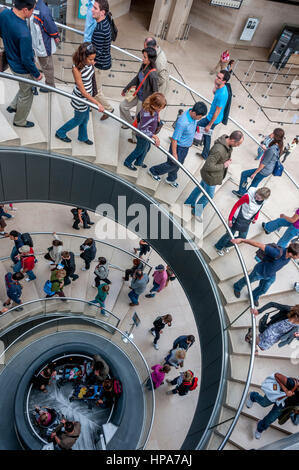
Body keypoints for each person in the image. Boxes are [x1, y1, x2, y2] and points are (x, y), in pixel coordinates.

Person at [0, 0, 43, 128]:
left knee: (24, 87)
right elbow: (26, 60)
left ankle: (13, 106)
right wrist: (36, 74)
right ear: (25, 10)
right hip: (22, 68)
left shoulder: (5, 14)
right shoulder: (24, 33)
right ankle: (20, 121)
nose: (33, 12)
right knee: (28, 93)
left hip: (11, 60)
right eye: (32, 10)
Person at [185, 131, 244, 220]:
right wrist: (224, 165)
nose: (238, 146)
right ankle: (196, 211)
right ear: (232, 140)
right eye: (238, 144)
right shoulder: (219, 150)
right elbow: (209, 166)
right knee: (209, 196)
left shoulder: (227, 145)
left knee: (200, 188)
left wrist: (225, 160)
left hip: (209, 175)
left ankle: (189, 202)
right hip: (210, 177)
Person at [148, 102, 208, 189]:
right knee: (172, 164)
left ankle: (171, 178)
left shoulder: (191, 114)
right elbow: (174, 139)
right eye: (200, 116)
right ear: (194, 113)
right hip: (179, 148)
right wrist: (175, 154)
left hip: (185, 147)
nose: (201, 118)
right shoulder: (183, 122)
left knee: (178, 164)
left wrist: (190, 140)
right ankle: (153, 171)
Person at [56, 42, 104, 144]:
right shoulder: (76, 69)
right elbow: (82, 91)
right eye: (90, 59)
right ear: (83, 57)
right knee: (78, 119)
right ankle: (60, 132)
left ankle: (82, 137)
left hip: (88, 98)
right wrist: (97, 103)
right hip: (81, 99)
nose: (93, 61)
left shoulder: (88, 64)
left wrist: (91, 64)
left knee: (85, 119)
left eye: (93, 59)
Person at [232, 240, 299, 307]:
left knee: (263, 289)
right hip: (260, 272)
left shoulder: (289, 256)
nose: (298, 258)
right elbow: (259, 244)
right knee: (247, 280)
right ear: (291, 254)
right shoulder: (276, 253)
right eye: (298, 256)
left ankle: (253, 296)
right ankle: (237, 287)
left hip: (271, 275)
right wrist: (242, 240)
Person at [214, 187, 271, 256]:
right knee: (229, 235)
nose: (256, 198)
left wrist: (255, 217)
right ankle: (218, 246)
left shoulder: (262, 202)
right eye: (256, 196)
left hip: (246, 221)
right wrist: (230, 219)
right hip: (237, 218)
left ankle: (226, 245)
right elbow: (236, 205)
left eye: (258, 198)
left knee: (242, 238)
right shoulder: (247, 197)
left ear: (263, 199)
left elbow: (258, 209)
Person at [120, 47, 159, 143]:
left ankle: (134, 138)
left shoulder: (153, 75)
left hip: (144, 101)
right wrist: (126, 88)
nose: (143, 59)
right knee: (122, 106)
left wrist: (156, 111)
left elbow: (156, 93)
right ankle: (130, 124)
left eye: (145, 57)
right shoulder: (143, 66)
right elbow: (137, 78)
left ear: (150, 59)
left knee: (138, 120)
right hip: (137, 94)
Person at [232, 128, 285, 198]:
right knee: (254, 183)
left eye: (273, 133)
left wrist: (255, 173)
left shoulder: (272, 149)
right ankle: (247, 196)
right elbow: (272, 156)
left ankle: (241, 192)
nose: (271, 134)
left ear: (275, 135)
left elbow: (263, 163)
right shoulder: (279, 145)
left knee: (244, 174)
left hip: (264, 170)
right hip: (268, 170)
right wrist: (266, 150)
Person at [246, 373, 299, 439]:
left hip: (283, 404)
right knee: (263, 403)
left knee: (270, 419)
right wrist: (286, 390)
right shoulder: (292, 383)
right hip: (277, 394)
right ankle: (253, 396)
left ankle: (260, 427)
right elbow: (277, 375)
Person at [123, 92, 166, 171]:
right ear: (154, 105)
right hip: (142, 136)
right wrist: (155, 136)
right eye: (160, 107)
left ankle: (139, 162)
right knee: (139, 150)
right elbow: (143, 129)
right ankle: (127, 162)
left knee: (147, 147)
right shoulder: (147, 114)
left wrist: (157, 117)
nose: (161, 109)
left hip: (146, 135)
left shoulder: (151, 109)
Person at [195, 70, 230, 160]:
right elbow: (216, 93)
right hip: (214, 118)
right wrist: (215, 87)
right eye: (217, 76)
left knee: (196, 125)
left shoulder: (222, 94)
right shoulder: (222, 87)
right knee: (207, 136)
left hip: (212, 119)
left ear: (224, 81)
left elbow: (217, 111)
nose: (216, 78)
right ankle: (205, 155)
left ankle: (180, 139)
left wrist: (209, 125)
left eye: (219, 78)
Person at [91, 0, 115, 120]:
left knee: (96, 91)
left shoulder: (100, 29)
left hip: (100, 66)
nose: (92, 9)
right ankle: (91, 104)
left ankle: (109, 110)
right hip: (105, 63)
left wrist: (91, 62)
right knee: (93, 87)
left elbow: (97, 52)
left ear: (102, 12)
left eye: (95, 8)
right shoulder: (105, 22)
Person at [29, 0, 59, 90]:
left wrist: (56, 35)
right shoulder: (33, 6)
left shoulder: (42, 10)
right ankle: (33, 82)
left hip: (43, 44)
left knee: (47, 65)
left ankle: (50, 85)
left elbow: (51, 26)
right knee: (33, 63)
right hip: (34, 42)